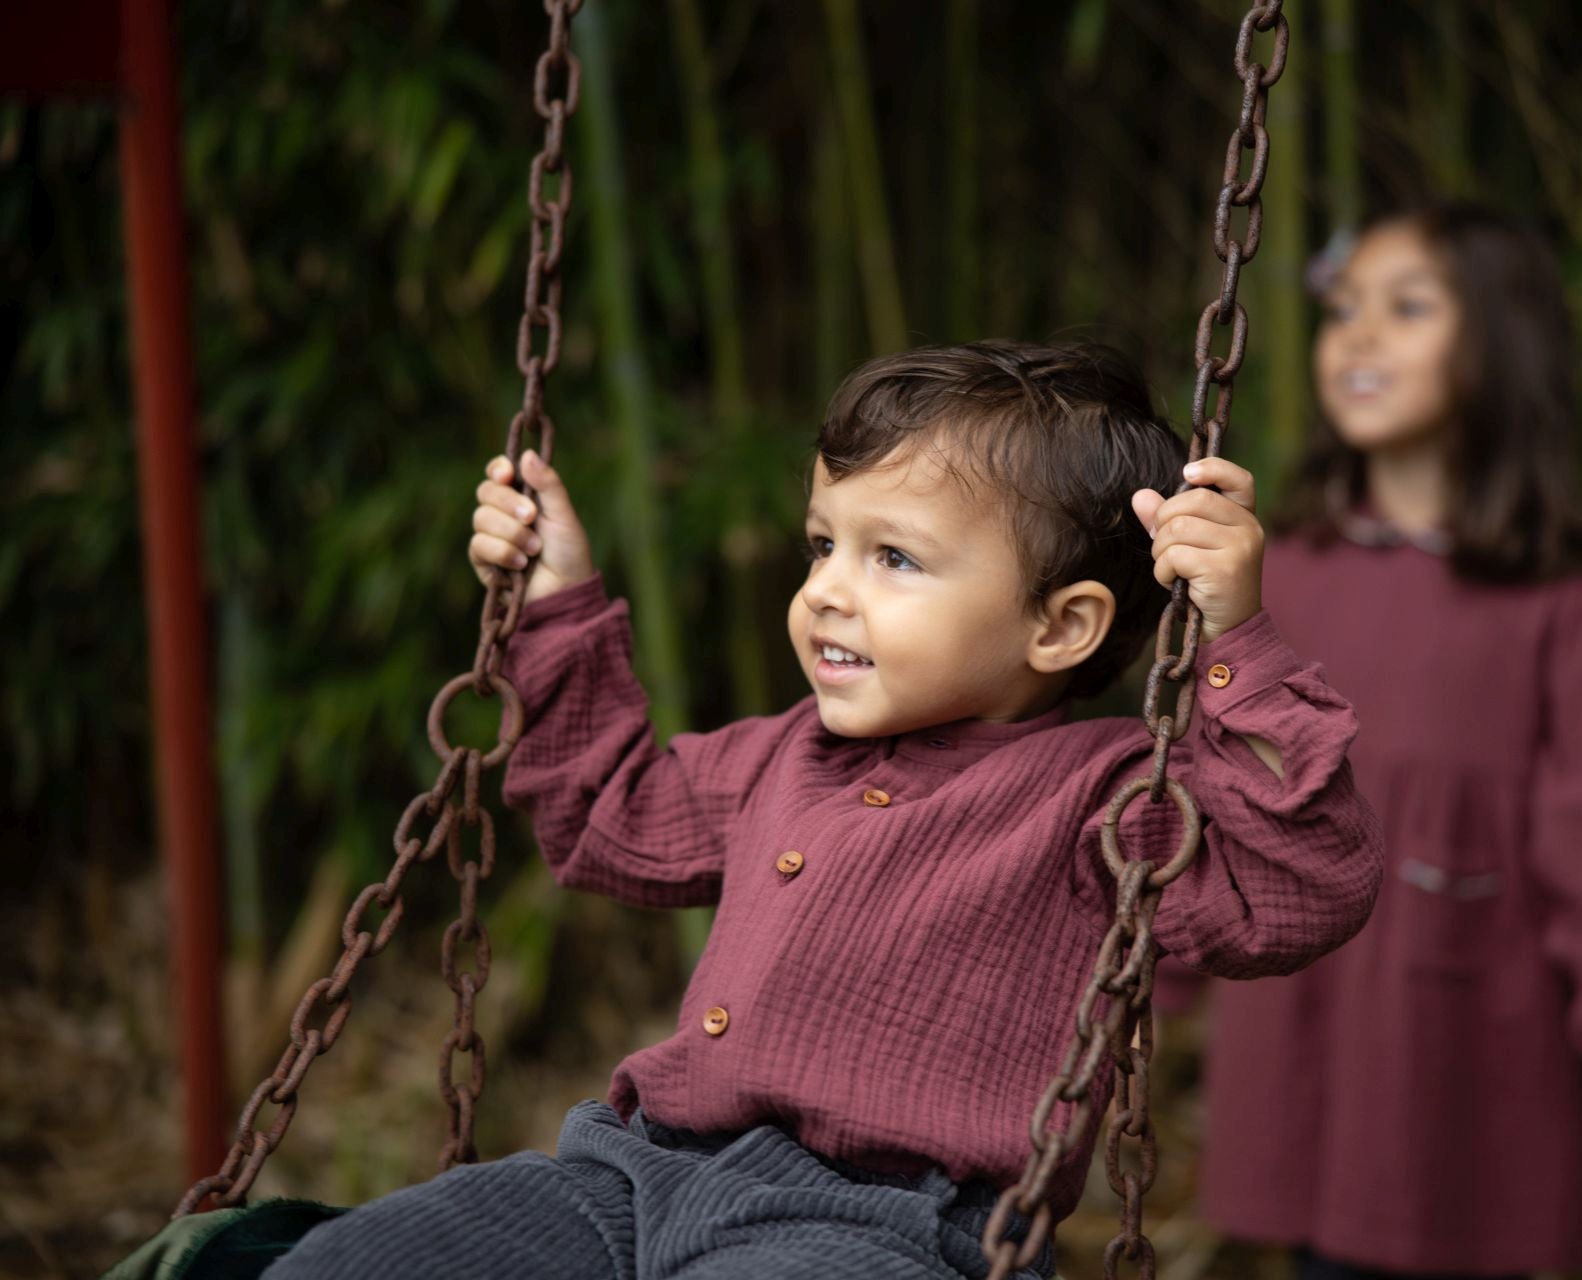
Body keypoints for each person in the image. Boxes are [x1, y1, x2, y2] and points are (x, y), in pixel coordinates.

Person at [264, 341, 1384, 1280]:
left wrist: (1235, 640)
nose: (828, 589)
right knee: (342, 1263)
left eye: (893, 556)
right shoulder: (781, 756)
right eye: (823, 543)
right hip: (633, 1173)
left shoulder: (1106, 796)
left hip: (880, 1227)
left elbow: (1294, 887)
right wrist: (557, 599)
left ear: (1062, 626)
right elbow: (609, 814)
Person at [1184, 204, 1582, 1280]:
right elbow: (1207, 794)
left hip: (1480, 1044)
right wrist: (1150, 981)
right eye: (1343, 311)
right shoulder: (1282, 571)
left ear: (1502, 341)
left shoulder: (1574, 597)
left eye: (1407, 307)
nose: (1357, 337)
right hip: (1314, 1032)